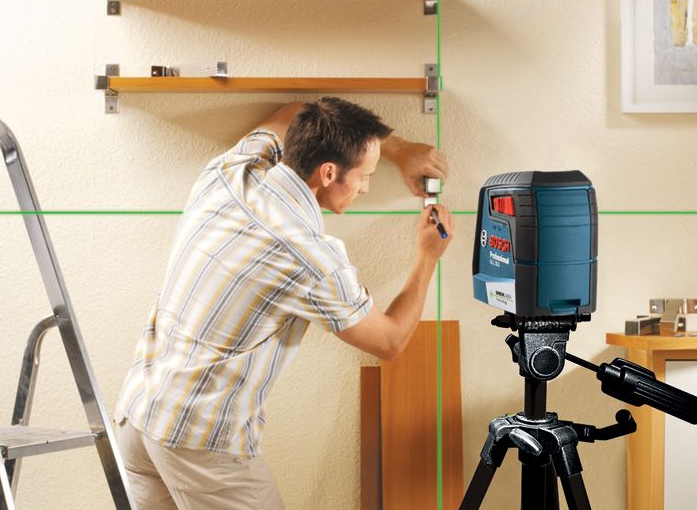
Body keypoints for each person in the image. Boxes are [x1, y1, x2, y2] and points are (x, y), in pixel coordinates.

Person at [114, 97, 454, 509]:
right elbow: (389, 341)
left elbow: (298, 111)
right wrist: (427, 257)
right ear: (329, 173)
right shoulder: (308, 256)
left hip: (139, 417)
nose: (367, 185)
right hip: (200, 440)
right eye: (365, 175)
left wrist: (399, 152)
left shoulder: (232, 171)